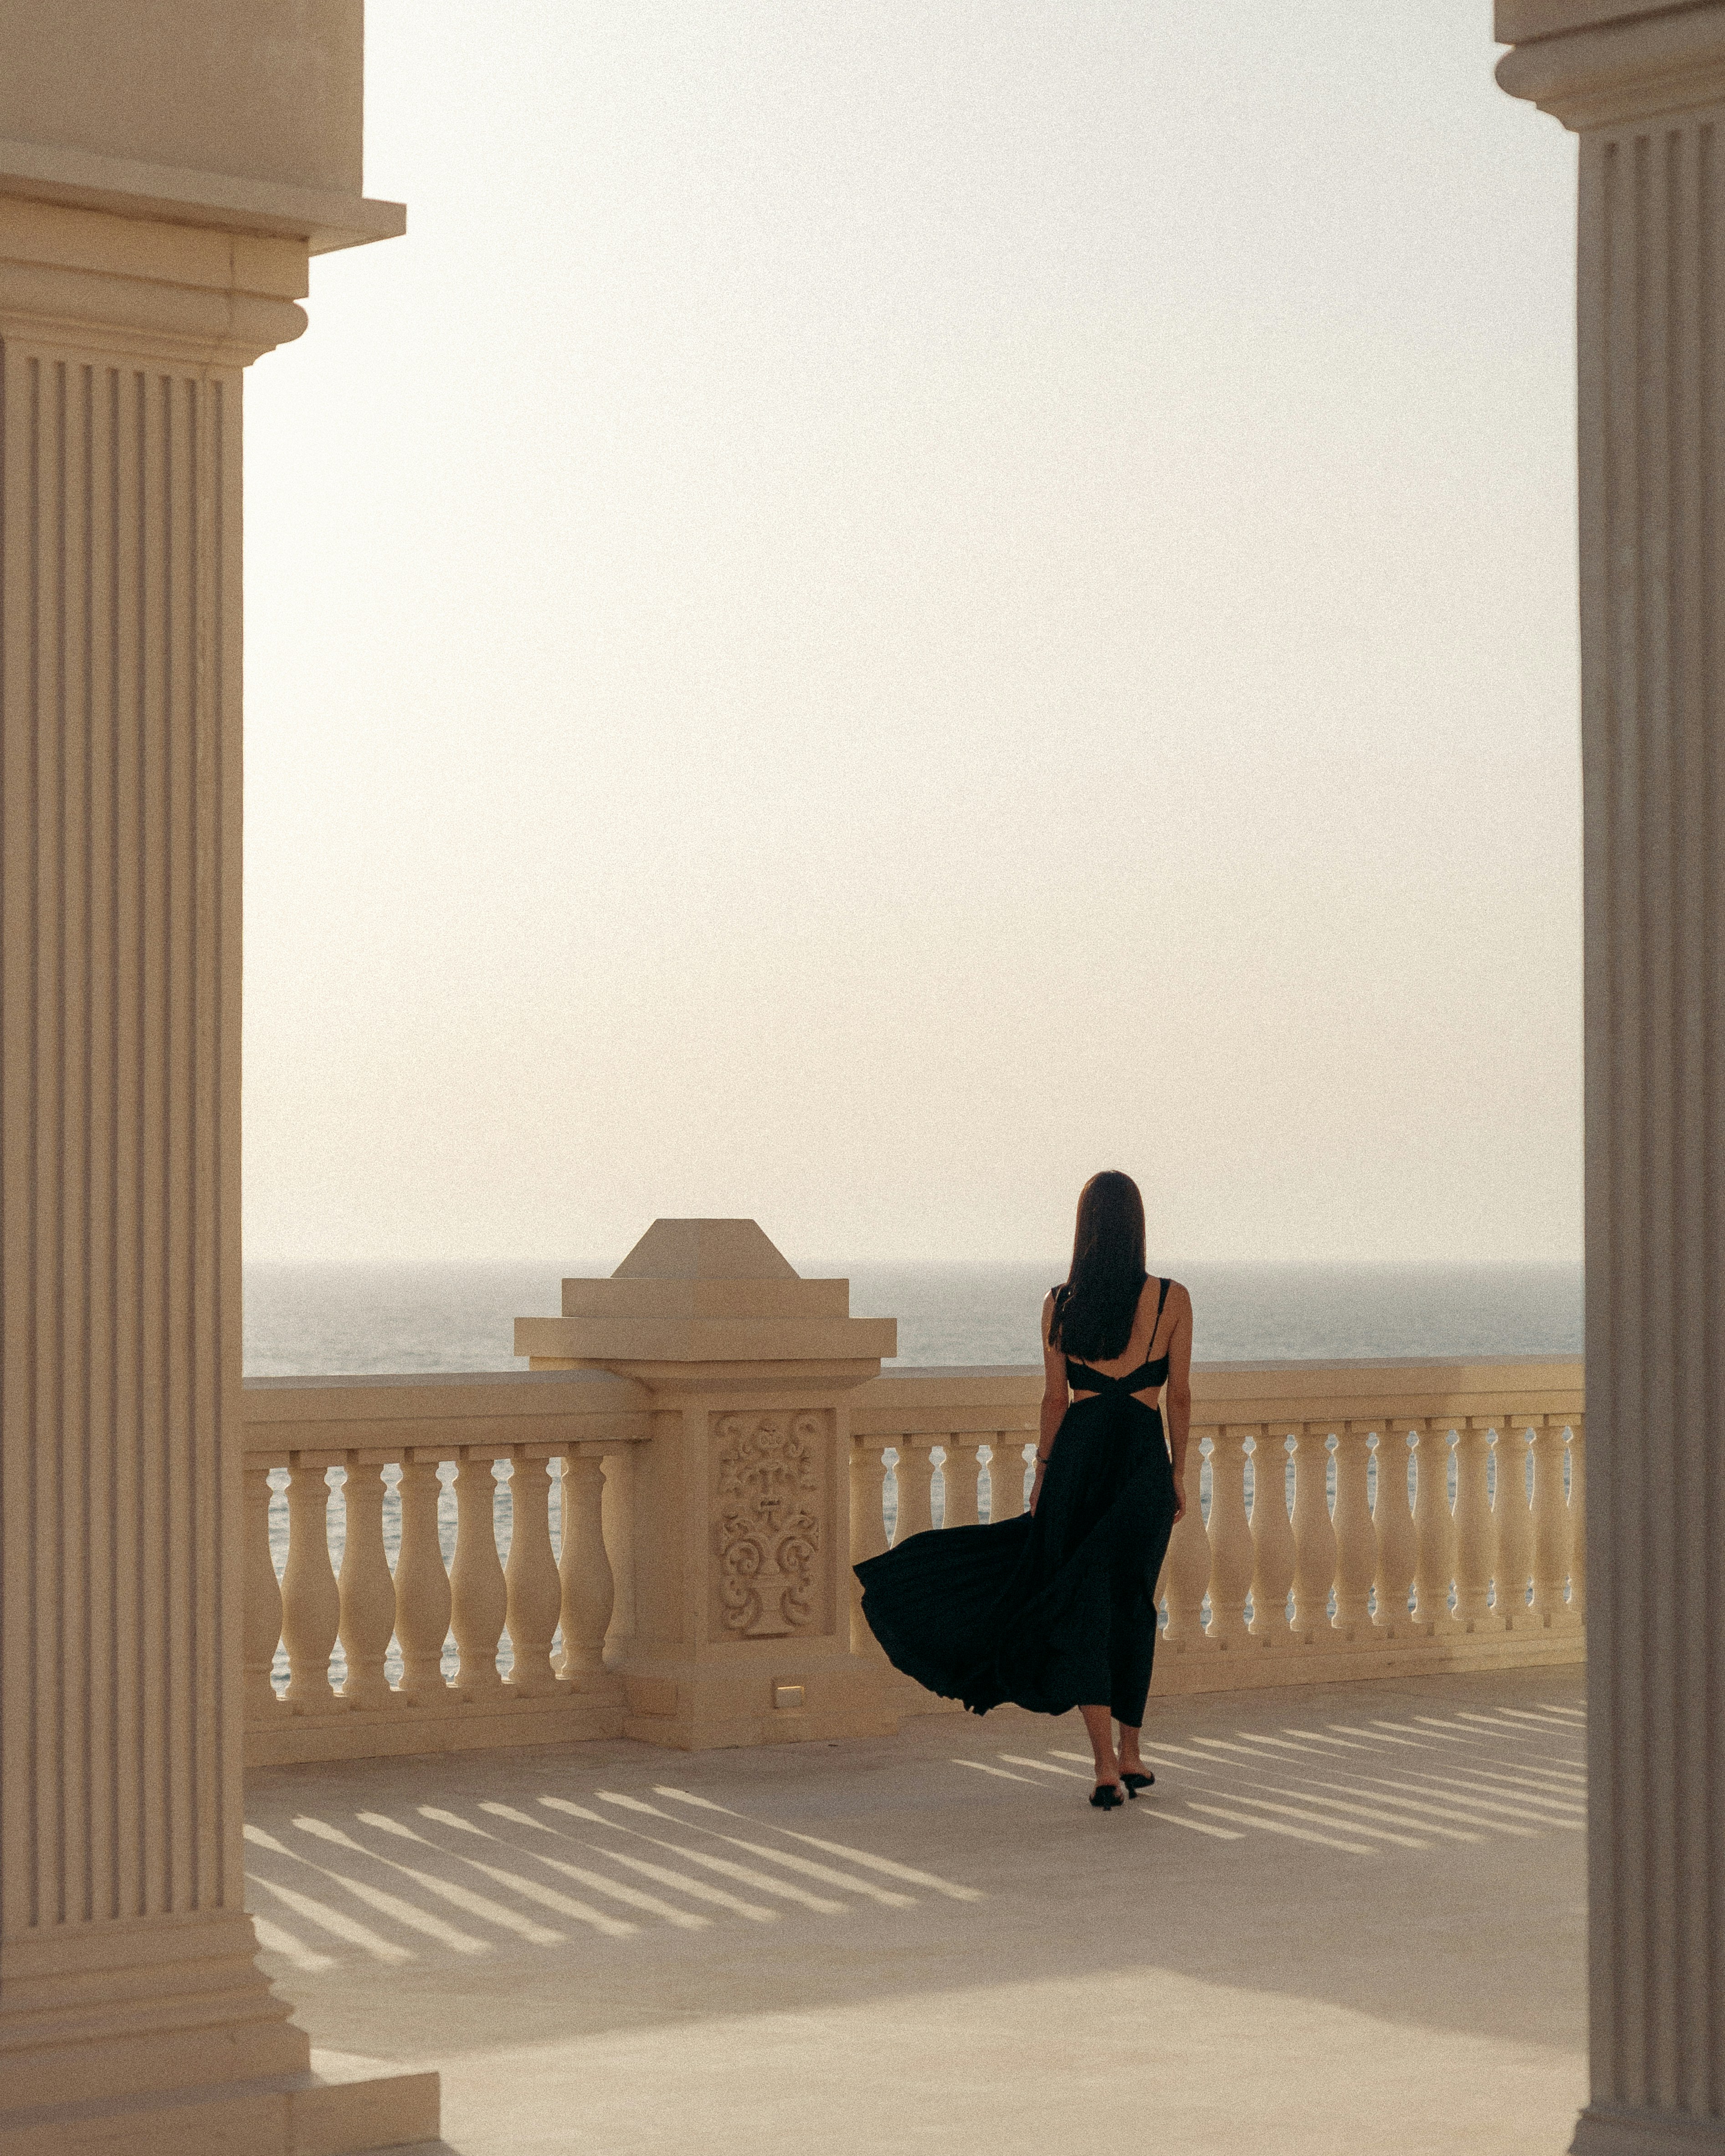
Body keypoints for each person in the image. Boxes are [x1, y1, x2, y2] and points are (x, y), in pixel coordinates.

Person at [854, 1170, 1190, 1810]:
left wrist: (1043, 1473)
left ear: (1084, 1228)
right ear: (1137, 1224)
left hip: (1078, 1464)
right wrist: (1177, 1472)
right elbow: (1178, 1393)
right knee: (1130, 1603)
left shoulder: (1061, 1302)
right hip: (1141, 1464)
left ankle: (1101, 1767)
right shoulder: (1173, 1298)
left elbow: (1054, 1399)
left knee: (1082, 1604)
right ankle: (1131, 1751)